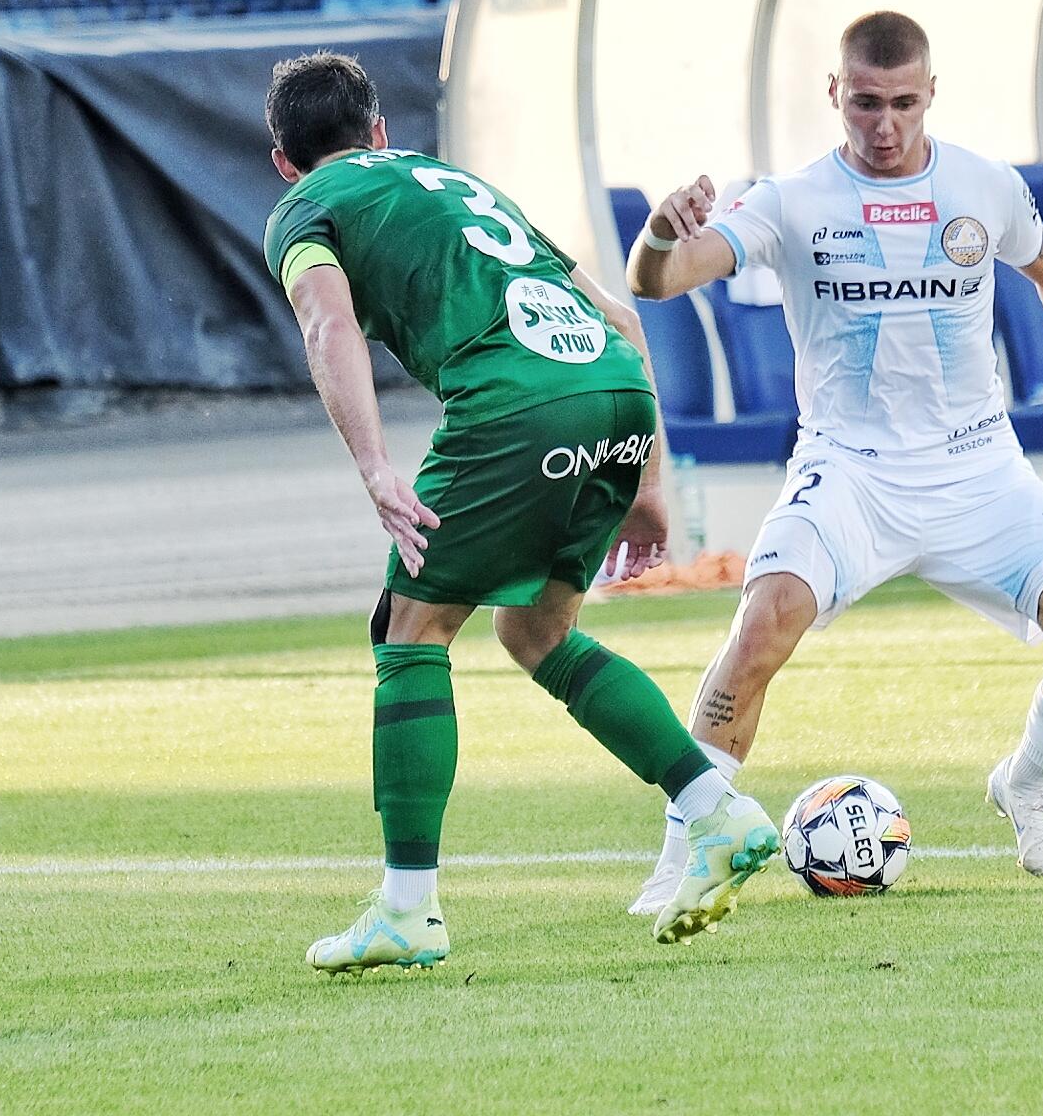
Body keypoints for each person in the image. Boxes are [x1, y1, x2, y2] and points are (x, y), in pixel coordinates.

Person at [624, 12, 1043, 912]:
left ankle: (1026, 784)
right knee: (762, 625)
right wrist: (660, 233)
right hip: (849, 471)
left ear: (932, 92)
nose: (884, 125)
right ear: (834, 94)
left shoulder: (983, 186)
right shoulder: (793, 200)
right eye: (865, 103)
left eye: (901, 103)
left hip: (977, 468)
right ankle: (684, 853)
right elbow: (655, 281)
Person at [261, 51, 779, 968]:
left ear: (282, 162)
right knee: (536, 632)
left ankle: (407, 909)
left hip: (518, 405)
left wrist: (376, 467)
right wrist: (650, 485)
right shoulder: (458, 184)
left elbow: (326, 322)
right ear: (380, 131)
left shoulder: (306, 209)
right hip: (616, 391)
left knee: (411, 632)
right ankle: (714, 808)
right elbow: (622, 319)